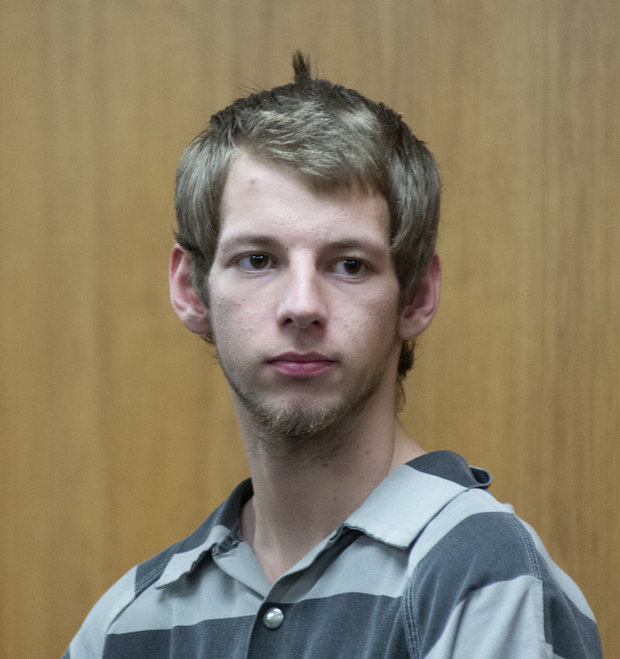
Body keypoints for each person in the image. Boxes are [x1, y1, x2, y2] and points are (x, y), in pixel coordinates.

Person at [64, 53, 602, 658]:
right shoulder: (125, 625)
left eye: (349, 264)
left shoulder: (481, 578)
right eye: (257, 260)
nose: (302, 306)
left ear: (416, 296)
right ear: (192, 289)